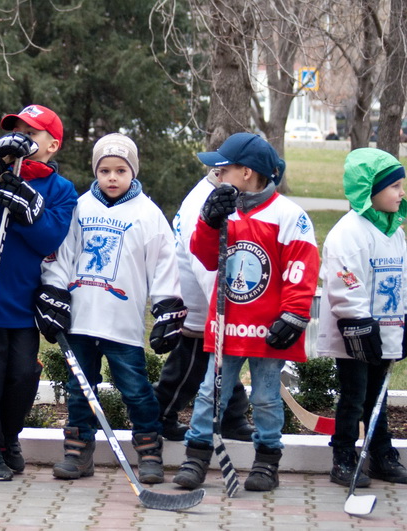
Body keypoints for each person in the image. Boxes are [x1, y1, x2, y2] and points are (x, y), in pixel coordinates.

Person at [173, 132, 319, 492]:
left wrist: (295, 314)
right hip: (228, 325)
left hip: (267, 328)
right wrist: (208, 223)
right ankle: (196, 456)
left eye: (223, 169)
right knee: (210, 393)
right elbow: (206, 259)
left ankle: (267, 461)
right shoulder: (224, 210)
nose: (217, 176)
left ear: (248, 172)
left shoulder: (289, 216)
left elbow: (301, 268)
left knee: (266, 397)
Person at [37, 133, 186, 484]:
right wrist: (54, 293)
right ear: (96, 171)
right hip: (81, 320)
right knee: (79, 389)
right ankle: (78, 452)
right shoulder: (79, 208)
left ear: (133, 171)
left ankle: (149, 452)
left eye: (121, 170)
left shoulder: (148, 214)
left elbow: (165, 264)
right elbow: (62, 255)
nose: (112, 177)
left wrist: (166, 307)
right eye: (105, 170)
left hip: (122, 323)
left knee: (135, 389)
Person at [0, 105, 78, 481]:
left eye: (31, 133)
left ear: (52, 145)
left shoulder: (61, 189)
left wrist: (30, 209)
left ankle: (7, 438)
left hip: (23, 301)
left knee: (22, 375)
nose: (22, 137)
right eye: (15, 130)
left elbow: (50, 238)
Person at [316, 147, 407, 486]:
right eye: (395, 186)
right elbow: (344, 281)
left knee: (378, 398)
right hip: (356, 335)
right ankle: (342, 456)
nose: (402, 193)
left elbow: (401, 279)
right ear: (370, 190)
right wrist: (359, 323)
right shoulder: (349, 233)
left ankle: (381, 454)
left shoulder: (394, 232)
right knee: (354, 397)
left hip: (386, 330)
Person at [153, 171, 254, 442]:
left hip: (209, 303)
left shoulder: (221, 194)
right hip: (199, 303)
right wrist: (224, 307)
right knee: (189, 366)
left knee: (223, 363)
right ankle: (160, 414)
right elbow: (203, 261)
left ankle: (232, 417)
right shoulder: (204, 200)